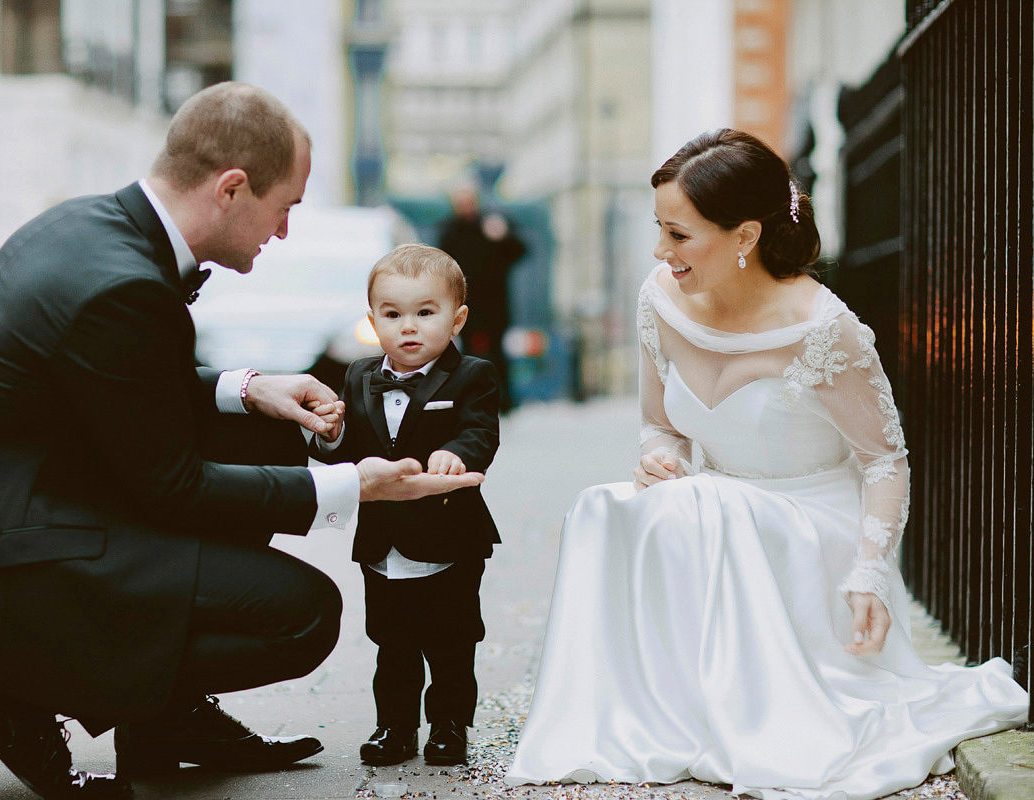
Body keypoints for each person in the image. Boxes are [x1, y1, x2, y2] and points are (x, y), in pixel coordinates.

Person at [0, 82, 484, 800]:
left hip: (14, 504)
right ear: (231, 188)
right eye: (284, 209)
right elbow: (174, 486)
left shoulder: (86, 227)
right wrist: (358, 486)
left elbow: (117, 382)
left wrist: (249, 389)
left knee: (273, 438)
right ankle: (18, 693)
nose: (281, 232)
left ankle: (165, 721)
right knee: (303, 616)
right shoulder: (120, 283)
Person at [505, 129, 1028, 800]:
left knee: (713, 506)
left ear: (745, 235)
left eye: (680, 234)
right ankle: (643, 716)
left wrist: (870, 573)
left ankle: (750, 717)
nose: (662, 251)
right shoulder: (658, 298)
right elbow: (659, 425)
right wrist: (659, 459)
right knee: (604, 507)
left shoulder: (824, 326)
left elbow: (884, 461)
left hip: (817, 532)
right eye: (659, 230)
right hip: (715, 515)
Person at [310, 243, 501, 767]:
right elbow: (345, 448)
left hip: (448, 537)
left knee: (451, 640)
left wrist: (454, 454)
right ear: (373, 320)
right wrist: (328, 436)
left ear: (457, 319)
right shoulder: (358, 376)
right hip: (382, 538)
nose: (408, 327)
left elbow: (480, 431)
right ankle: (393, 728)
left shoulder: (471, 376)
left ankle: (449, 727)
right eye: (392, 315)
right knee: (391, 643)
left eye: (425, 313)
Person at [437, 183, 526, 414]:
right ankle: (472, 399)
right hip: (465, 302)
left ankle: (504, 401)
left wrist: (502, 236)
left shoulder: (492, 224)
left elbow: (519, 251)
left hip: (495, 302)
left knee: (497, 351)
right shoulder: (450, 230)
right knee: (466, 353)